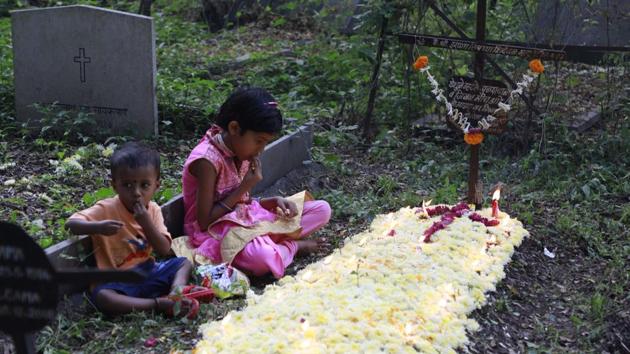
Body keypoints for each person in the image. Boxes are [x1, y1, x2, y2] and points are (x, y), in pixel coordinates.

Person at [182, 87, 331, 279]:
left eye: (266, 143)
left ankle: (269, 243)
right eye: (259, 141)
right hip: (216, 232)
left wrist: (272, 201)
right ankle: (291, 247)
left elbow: (244, 202)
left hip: (242, 219)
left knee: (321, 209)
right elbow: (204, 221)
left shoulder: (239, 149)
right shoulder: (207, 161)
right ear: (235, 128)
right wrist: (245, 186)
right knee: (263, 258)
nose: (261, 150)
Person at [66, 142, 202, 318]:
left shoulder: (153, 210)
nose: (137, 193)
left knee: (184, 263)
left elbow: (163, 249)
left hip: (148, 272)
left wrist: (146, 222)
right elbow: (71, 224)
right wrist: (97, 227)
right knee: (103, 297)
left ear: (156, 185)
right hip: (117, 281)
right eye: (127, 185)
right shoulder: (106, 209)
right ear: (115, 185)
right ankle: (156, 304)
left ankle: (177, 291)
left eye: (145, 185)